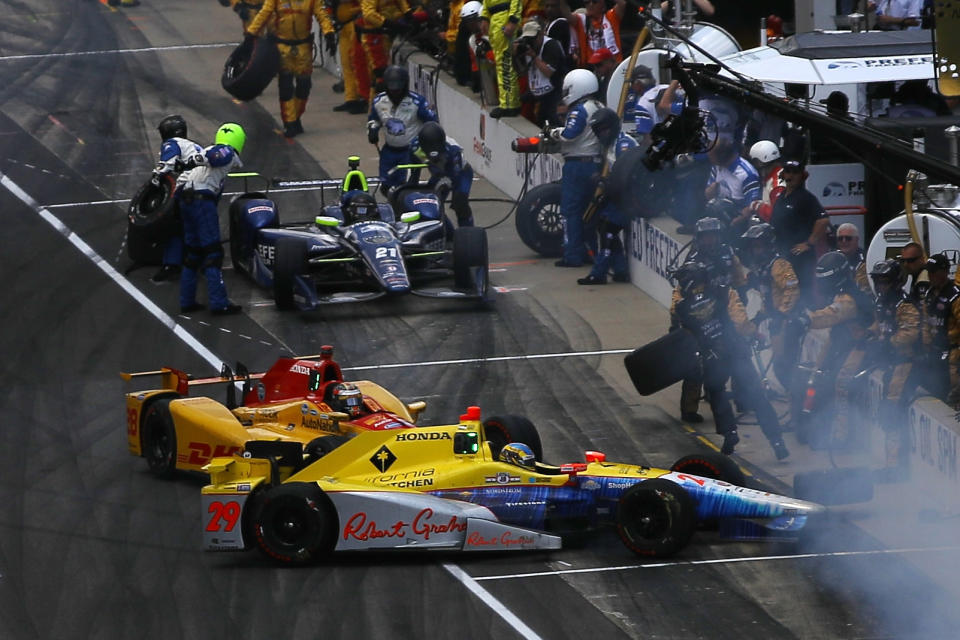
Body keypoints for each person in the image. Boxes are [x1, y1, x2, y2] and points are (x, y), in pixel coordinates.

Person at [673, 260, 774, 456]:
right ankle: (777, 441)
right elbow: (741, 321)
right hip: (737, 351)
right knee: (756, 394)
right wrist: (753, 333)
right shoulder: (724, 291)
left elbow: (685, 337)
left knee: (716, 392)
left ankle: (729, 433)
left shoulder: (682, 307)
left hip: (713, 356)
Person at [670, 217, 748, 423]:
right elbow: (680, 295)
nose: (710, 240)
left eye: (713, 235)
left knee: (738, 352)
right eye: (706, 236)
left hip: (725, 311)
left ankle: (740, 399)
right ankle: (689, 409)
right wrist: (678, 320)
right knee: (697, 363)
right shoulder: (692, 262)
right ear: (699, 237)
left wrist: (740, 293)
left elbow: (738, 277)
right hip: (701, 316)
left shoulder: (728, 253)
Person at [791, 251, 874, 440]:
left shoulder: (849, 299)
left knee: (841, 383)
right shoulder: (841, 294)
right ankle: (813, 424)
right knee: (816, 373)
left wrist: (806, 320)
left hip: (860, 346)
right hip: (841, 341)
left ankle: (842, 436)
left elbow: (831, 314)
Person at [178, 123, 245, 316]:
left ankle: (187, 301)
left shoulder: (205, 148)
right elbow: (217, 156)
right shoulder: (226, 152)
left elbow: (183, 180)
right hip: (201, 202)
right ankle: (219, 303)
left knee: (193, 253)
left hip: (186, 200)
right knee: (213, 253)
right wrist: (196, 160)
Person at [245, 0, 336, 138]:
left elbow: (322, 15)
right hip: (283, 48)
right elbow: (264, 14)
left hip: (303, 48)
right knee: (286, 86)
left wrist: (329, 33)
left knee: (304, 85)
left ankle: (296, 117)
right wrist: (251, 34)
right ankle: (289, 122)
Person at [548, 68, 603, 268]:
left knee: (571, 212)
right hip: (596, 166)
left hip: (577, 166)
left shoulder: (580, 109)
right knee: (590, 212)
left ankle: (572, 256)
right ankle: (590, 251)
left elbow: (570, 133)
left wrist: (553, 132)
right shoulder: (599, 106)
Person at [868, 259, 921, 466]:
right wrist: (869, 336)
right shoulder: (880, 302)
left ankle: (896, 467)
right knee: (887, 413)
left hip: (905, 364)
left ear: (896, 282)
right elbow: (879, 325)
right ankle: (891, 463)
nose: (881, 286)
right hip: (890, 364)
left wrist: (888, 344)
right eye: (878, 282)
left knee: (893, 411)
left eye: (885, 282)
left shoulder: (904, 304)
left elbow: (910, 333)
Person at [740, 223, 800, 394]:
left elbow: (792, 288)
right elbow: (770, 296)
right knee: (781, 367)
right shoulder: (762, 266)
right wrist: (760, 316)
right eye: (753, 246)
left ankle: (799, 405)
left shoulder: (779, 264)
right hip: (776, 320)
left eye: (758, 245)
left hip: (789, 321)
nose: (755, 250)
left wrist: (782, 314)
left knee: (783, 367)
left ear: (768, 245)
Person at [577, 107, 634, 285]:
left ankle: (599, 273)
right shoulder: (609, 144)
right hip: (616, 194)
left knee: (608, 231)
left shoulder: (624, 144)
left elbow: (627, 174)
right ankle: (620, 270)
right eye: (599, 131)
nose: (602, 134)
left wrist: (606, 182)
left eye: (605, 130)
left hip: (629, 197)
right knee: (603, 225)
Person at [150, 115, 206, 283]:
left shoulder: (171, 143)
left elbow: (164, 166)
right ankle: (202, 262)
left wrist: (155, 181)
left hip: (189, 189)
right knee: (200, 227)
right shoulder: (194, 145)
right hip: (208, 189)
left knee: (173, 225)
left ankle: (171, 265)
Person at [367, 65, 439, 192]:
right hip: (388, 152)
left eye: (398, 89)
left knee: (406, 188)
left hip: (410, 152)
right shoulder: (379, 101)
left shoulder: (417, 102)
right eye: (392, 89)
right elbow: (374, 119)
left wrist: (429, 144)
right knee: (386, 187)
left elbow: (433, 123)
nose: (395, 92)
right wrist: (373, 130)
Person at [769, 159, 829, 302]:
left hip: (799, 258)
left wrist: (808, 243)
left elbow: (823, 220)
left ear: (802, 175)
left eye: (795, 172)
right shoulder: (781, 197)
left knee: (801, 293)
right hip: (782, 254)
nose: (791, 175)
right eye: (788, 171)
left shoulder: (806, 198)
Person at [410, 122, 475, 227]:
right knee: (430, 203)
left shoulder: (453, 151)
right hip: (438, 174)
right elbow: (413, 171)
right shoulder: (414, 147)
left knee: (460, 202)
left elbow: (453, 177)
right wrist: (411, 188)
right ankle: (445, 231)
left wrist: (441, 186)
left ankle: (467, 230)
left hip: (460, 174)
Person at [918, 254, 960, 406]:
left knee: (952, 393)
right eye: (929, 272)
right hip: (934, 351)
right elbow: (925, 321)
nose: (930, 276)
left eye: (934, 272)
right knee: (935, 392)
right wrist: (926, 342)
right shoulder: (929, 294)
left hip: (953, 354)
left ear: (944, 271)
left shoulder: (955, 295)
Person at [513, 19, 567, 127]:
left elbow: (548, 72)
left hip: (554, 93)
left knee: (553, 123)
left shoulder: (551, 45)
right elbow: (521, 72)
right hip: (537, 93)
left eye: (533, 38)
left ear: (540, 35)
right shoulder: (526, 46)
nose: (530, 41)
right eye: (528, 39)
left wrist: (534, 56)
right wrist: (515, 56)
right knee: (539, 124)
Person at [703, 138, 761, 240]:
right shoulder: (717, 166)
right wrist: (711, 189)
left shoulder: (747, 174)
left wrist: (734, 223)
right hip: (718, 214)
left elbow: (751, 207)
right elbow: (708, 195)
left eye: (711, 156)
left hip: (738, 222)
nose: (709, 159)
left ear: (722, 156)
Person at [357, 0, 412, 98]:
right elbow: (369, 14)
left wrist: (408, 14)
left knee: (393, 77)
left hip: (391, 35)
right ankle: (377, 110)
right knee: (381, 78)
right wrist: (389, 24)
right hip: (374, 38)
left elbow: (401, 2)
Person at [480, 0, 523, 118]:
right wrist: (484, 18)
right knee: (500, 64)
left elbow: (516, 2)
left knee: (505, 64)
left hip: (504, 19)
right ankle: (506, 102)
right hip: (495, 21)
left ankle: (510, 105)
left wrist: (513, 21)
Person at [330, 0, 372, 113]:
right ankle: (351, 99)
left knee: (358, 62)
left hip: (356, 23)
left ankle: (364, 98)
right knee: (346, 64)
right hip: (343, 25)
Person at [746, 140, 783, 223]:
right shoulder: (772, 177)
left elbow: (777, 215)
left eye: (756, 162)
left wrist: (757, 207)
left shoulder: (777, 183)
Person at [621, 65, 656, 137]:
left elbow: (646, 136)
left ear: (638, 83)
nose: (632, 87)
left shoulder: (643, 102)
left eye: (632, 83)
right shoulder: (661, 90)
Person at [835, 222, 870, 292]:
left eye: (848, 238)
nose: (844, 241)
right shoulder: (832, 258)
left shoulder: (867, 259)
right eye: (840, 238)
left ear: (856, 240)